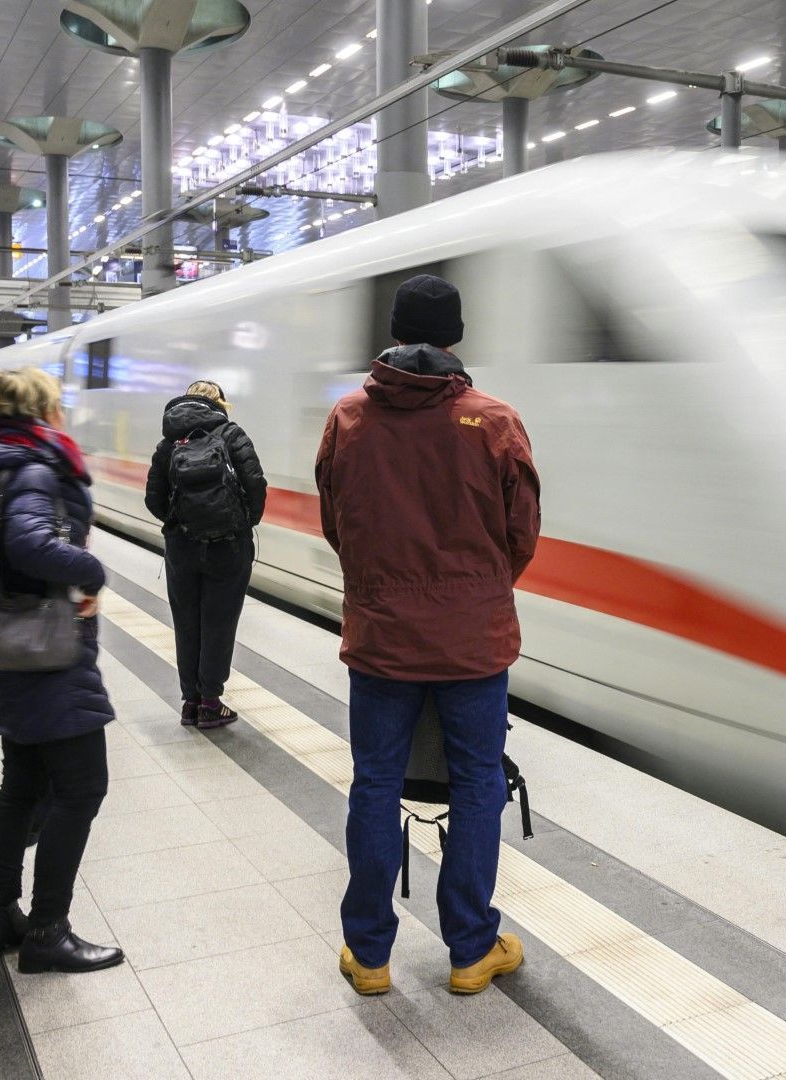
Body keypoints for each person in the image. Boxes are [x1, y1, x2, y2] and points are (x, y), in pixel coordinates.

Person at [313, 274, 541, 997]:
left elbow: (337, 522)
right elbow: (522, 533)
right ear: (456, 336)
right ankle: (471, 949)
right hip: (474, 642)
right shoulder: (494, 420)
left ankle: (369, 955)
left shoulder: (349, 418)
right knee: (476, 783)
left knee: (375, 783)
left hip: (381, 639)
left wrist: (381, 587)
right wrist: (476, 591)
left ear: (394, 330)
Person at [0, 367, 123, 974]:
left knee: (22, 786)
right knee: (81, 787)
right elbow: (29, 545)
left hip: (10, 644)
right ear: (44, 410)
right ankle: (48, 931)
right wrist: (91, 573)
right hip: (45, 651)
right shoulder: (35, 469)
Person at [144, 380, 267, 728]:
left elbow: (153, 499)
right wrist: (240, 523)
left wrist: (178, 522)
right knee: (219, 624)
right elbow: (256, 486)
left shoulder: (168, 444)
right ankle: (211, 703)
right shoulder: (233, 435)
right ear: (220, 404)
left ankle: (190, 702)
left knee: (186, 624)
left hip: (182, 549)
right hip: (228, 548)